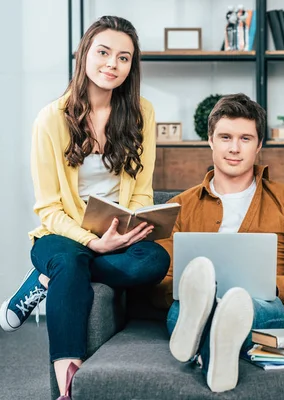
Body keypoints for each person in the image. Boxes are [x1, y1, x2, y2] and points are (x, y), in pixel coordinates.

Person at [0, 16, 170, 399]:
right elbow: (48, 209)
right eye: (104, 52)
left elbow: (143, 191)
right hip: (60, 235)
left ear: (132, 66)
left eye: (124, 58)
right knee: (69, 261)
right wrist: (91, 244)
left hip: (114, 235)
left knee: (154, 261)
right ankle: (66, 381)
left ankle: (44, 282)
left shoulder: (142, 112)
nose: (113, 64)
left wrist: (131, 226)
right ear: (83, 55)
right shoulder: (51, 119)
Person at [153, 93, 284, 392]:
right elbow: (163, 279)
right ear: (210, 141)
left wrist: (268, 287)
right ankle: (218, 346)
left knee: (249, 306)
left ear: (259, 146)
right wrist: (191, 289)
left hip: (263, 306)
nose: (234, 148)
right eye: (225, 137)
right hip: (194, 305)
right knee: (186, 308)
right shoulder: (181, 206)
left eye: (245, 138)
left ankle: (204, 345)